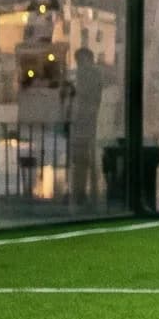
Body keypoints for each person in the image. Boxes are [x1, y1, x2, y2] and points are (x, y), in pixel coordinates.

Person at [66, 45, 108, 207]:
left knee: (83, 159)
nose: (79, 64)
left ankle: (83, 192)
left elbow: (84, 96)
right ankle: (85, 192)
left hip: (86, 122)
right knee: (84, 160)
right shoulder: (92, 74)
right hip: (85, 122)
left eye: (80, 60)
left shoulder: (87, 74)